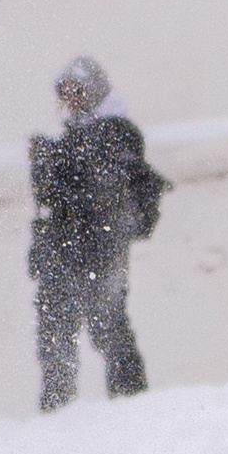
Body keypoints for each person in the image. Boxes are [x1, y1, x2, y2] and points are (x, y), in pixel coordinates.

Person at [27, 56, 168, 412]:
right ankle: (57, 405)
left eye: (77, 91)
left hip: (100, 253)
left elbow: (95, 181)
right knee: (55, 332)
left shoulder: (118, 131)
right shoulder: (73, 137)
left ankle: (131, 402)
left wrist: (52, 156)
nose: (71, 100)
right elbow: (54, 194)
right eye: (66, 93)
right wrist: (47, 161)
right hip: (62, 251)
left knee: (108, 326)